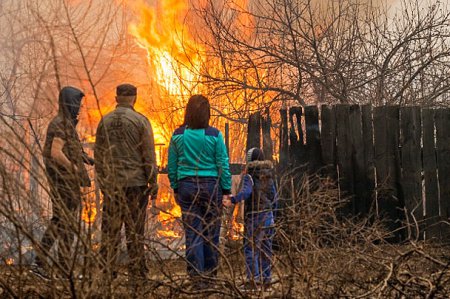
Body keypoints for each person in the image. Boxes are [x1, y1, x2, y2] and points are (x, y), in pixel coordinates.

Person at [94, 84, 158, 282]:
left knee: (110, 230)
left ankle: (107, 271)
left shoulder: (104, 121)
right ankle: (137, 272)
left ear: (116, 98)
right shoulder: (141, 121)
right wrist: (152, 180)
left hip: (112, 185)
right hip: (135, 185)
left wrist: (104, 182)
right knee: (135, 230)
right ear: (135, 98)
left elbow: (98, 154)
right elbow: (148, 154)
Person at [168, 94, 231, 288]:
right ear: (207, 113)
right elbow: (223, 163)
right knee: (211, 233)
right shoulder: (214, 135)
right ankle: (211, 277)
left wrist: (176, 187)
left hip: (186, 186)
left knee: (193, 233)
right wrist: (226, 189)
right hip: (211, 187)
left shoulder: (178, 135)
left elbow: (172, 165)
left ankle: (196, 280)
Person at [32, 86, 93, 279]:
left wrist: (84, 157)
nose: (80, 108)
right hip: (63, 182)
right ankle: (40, 263)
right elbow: (55, 152)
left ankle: (64, 268)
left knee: (66, 223)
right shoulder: (61, 123)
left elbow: (66, 148)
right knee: (60, 221)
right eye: (78, 104)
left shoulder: (65, 123)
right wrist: (73, 168)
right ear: (70, 103)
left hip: (66, 182)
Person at [223, 147, 277, 292]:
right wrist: (274, 216)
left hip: (255, 217)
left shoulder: (250, 175)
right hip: (268, 216)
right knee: (266, 249)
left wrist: (233, 199)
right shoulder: (269, 175)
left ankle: (254, 280)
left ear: (250, 160)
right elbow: (274, 197)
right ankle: (267, 280)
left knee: (251, 248)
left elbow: (246, 193)